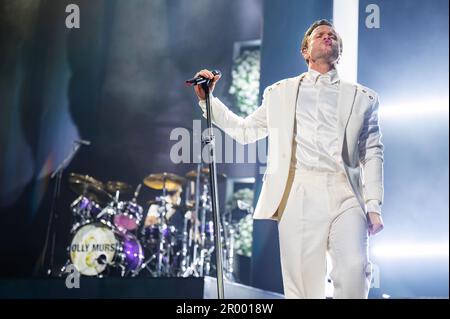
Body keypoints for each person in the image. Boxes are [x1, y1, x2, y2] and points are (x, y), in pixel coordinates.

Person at [192, 19, 384, 299]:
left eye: (332, 35)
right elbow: (245, 132)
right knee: (304, 286)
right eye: (320, 34)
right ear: (305, 51)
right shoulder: (280, 93)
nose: (327, 37)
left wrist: (373, 204)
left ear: (339, 51)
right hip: (299, 192)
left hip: (347, 193)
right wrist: (208, 101)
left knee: (355, 268)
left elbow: (373, 152)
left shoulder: (363, 98)